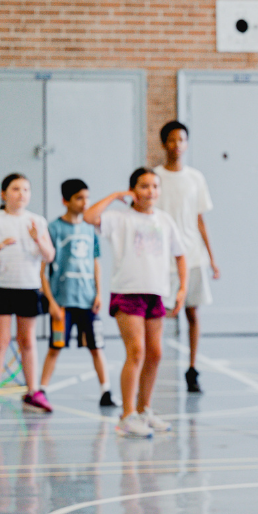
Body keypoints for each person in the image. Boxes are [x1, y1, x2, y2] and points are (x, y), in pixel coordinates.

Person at [84, 168, 188, 438]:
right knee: (137, 352)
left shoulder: (165, 220)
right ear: (133, 190)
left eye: (155, 186)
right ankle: (127, 415)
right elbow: (89, 216)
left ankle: (144, 409)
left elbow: (180, 255)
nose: (150, 191)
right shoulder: (119, 218)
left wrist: (182, 289)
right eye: (144, 186)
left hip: (156, 293)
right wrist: (116, 195)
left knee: (155, 353)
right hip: (128, 292)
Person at [0, 173, 56, 416]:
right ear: (4, 194)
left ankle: (32, 392)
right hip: (0, 287)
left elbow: (49, 256)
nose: (21, 194)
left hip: (28, 288)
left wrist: (37, 240)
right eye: (16, 189)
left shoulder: (37, 222)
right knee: (0, 343)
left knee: (27, 342)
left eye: (26, 190)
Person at [37, 179, 115, 408]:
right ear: (65, 201)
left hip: (87, 301)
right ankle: (42, 389)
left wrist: (99, 293)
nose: (85, 203)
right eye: (79, 198)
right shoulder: (54, 229)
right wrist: (50, 301)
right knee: (56, 346)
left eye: (87, 198)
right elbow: (43, 270)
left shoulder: (91, 230)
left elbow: (96, 262)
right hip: (62, 303)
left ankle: (106, 390)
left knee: (96, 346)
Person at [154, 120, 218, 394]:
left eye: (181, 140)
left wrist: (212, 258)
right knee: (159, 315)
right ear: (163, 143)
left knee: (193, 313)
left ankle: (192, 369)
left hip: (193, 257)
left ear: (186, 144)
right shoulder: (155, 177)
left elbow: (200, 219)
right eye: (172, 140)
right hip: (163, 259)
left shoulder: (195, 178)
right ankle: (152, 365)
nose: (177, 145)